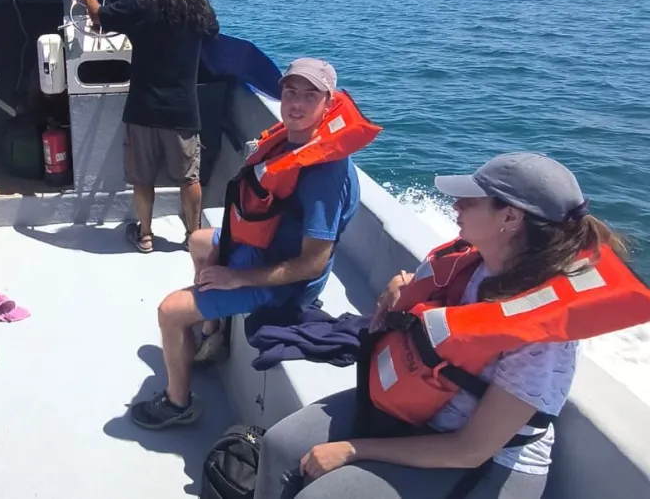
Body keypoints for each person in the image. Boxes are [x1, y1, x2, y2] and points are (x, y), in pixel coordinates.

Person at [253, 152, 650, 499]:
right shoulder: (471, 263)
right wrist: (399, 294)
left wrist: (355, 448)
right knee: (281, 444)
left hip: (484, 466)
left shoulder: (543, 338)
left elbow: (472, 449)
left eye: (471, 200)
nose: (456, 204)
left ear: (510, 218)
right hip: (420, 415)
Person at [129, 58, 381, 429]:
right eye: (290, 92)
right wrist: (224, 250)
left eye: (310, 96)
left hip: (287, 282)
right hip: (264, 247)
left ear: (328, 103)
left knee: (170, 310)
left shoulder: (325, 174)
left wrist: (237, 278)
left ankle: (177, 404)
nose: (296, 103)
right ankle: (213, 336)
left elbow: (311, 263)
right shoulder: (292, 141)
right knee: (199, 240)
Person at [72, 0, 219, 253]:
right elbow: (213, 31)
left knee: (143, 179)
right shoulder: (200, 11)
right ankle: (194, 235)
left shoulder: (141, 4)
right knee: (188, 178)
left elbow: (100, 20)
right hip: (182, 111)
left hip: (143, 108)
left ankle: (146, 236)